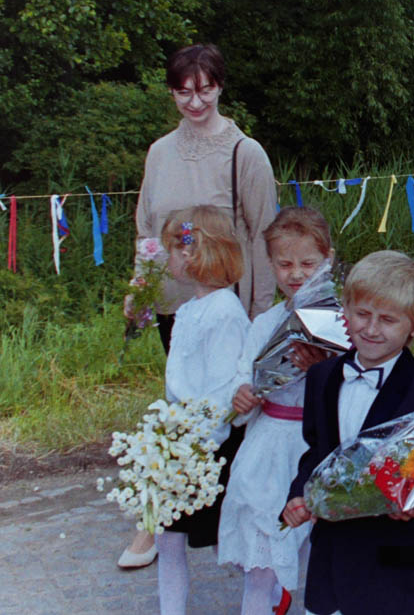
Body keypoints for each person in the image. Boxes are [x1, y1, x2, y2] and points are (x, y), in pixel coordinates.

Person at [122, 43, 278, 570]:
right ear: (171, 92)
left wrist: (259, 314)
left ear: (220, 87)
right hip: (176, 306)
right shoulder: (159, 152)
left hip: (230, 308)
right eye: (183, 92)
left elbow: (263, 235)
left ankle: (234, 518)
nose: (194, 102)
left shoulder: (245, 153)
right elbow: (148, 230)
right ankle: (159, 518)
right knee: (181, 408)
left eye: (204, 89)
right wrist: (141, 287)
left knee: (229, 416)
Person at [282, 251, 414, 615]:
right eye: (362, 314)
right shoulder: (322, 377)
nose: (371, 329)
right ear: (345, 312)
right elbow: (316, 451)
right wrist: (299, 494)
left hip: (396, 574)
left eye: (387, 320)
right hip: (331, 562)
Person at [217, 207, 336, 615]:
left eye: (308, 263)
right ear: (270, 264)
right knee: (261, 562)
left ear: (328, 260)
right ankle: (264, 599)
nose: (296, 273)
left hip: (317, 448)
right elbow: (243, 374)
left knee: (316, 558)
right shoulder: (265, 323)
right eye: (285, 264)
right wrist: (242, 395)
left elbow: (352, 389)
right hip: (267, 451)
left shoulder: (341, 323)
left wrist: (321, 370)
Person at [154, 205, 250, 615]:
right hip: (180, 440)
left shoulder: (224, 311)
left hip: (209, 445)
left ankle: (267, 589)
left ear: (195, 251)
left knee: (222, 540)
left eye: (174, 249)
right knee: (166, 537)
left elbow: (222, 387)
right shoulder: (189, 310)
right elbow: (180, 379)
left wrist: (198, 444)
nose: (169, 258)